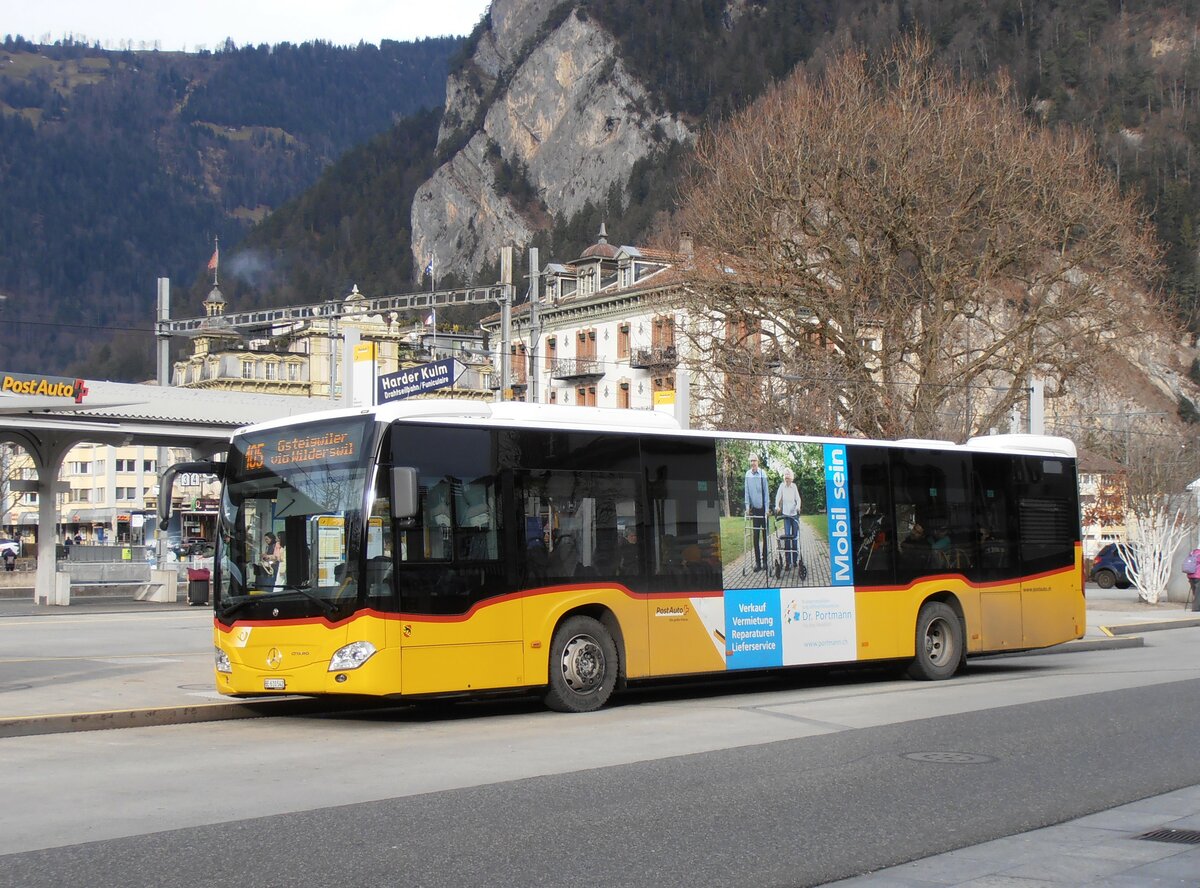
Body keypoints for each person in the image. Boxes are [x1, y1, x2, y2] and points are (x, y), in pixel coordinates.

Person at [744, 453, 770, 572]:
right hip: (754, 510)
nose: (753, 463)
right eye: (751, 461)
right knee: (755, 537)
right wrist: (747, 507)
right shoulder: (747, 474)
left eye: (754, 461)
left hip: (763, 509)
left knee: (765, 536)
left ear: (758, 462)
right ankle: (758, 563)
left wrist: (767, 509)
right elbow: (747, 493)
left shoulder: (762, 474)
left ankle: (765, 561)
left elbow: (766, 493)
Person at [774, 466, 802, 569]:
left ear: (791, 477)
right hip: (786, 515)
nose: (786, 476)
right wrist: (777, 506)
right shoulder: (782, 486)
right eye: (785, 475)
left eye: (788, 475)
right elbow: (777, 498)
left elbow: (798, 499)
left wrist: (798, 507)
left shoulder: (794, 486)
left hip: (794, 515)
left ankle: (794, 561)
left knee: (794, 538)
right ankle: (787, 562)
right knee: (786, 538)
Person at [1184, 546, 1200, 612]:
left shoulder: (1192, 553)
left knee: (1195, 592)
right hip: (1198, 576)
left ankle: (1196, 606)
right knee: (1198, 593)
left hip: (1191, 575)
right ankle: (1196, 608)